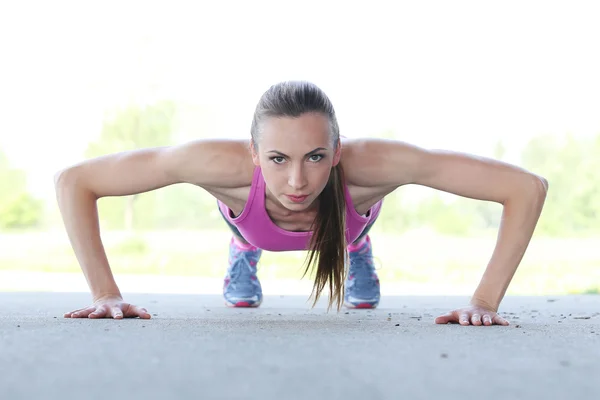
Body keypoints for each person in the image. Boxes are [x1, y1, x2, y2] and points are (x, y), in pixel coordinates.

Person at [55, 80, 548, 326]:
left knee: (348, 232)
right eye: (276, 158)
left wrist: (483, 303)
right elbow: (74, 181)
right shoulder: (215, 163)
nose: (296, 180)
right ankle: (243, 253)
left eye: (315, 157)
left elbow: (527, 187)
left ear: (336, 151)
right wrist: (105, 294)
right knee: (248, 232)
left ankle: (358, 251)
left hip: (348, 223)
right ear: (252, 153)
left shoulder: (372, 164)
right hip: (249, 223)